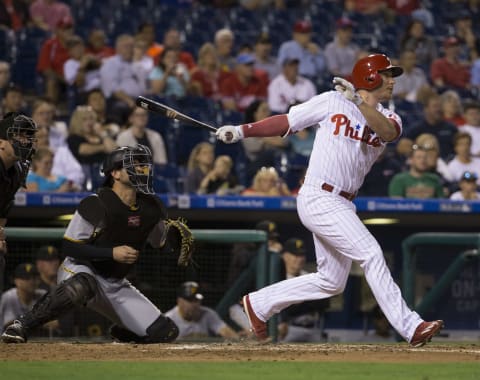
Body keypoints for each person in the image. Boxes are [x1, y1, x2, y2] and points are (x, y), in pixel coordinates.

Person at [215, 53, 444, 347]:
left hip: (344, 202)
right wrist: (243, 130)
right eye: (386, 74)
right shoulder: (331, 101)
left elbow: (388, 133)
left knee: (332, 281)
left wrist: (360, 102)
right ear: (370, 76)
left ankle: (258, 305)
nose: (391, 81)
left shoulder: (390, 117)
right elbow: (288, 122)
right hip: (319, 195)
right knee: (371, 253)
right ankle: (411, 327)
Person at [1, 144, 191, 343]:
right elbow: (69, 247)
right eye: (134, 164)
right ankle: (22, 324)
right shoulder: (97, 202)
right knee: (81, 286)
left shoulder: (151, 206)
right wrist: (112, 253)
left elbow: (160, 244)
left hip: (115, 282)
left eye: (144, 164)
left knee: (165, 332)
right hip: (81, 269)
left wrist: (175, 243)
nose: (142, 169)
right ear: (115, 173)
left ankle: (126, 332)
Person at [0, 113, 37, 293]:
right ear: (1, 142)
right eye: (18, 135)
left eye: (27, 136)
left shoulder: (16, 171)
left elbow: (3, 209)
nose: (24, 141)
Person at [277, 238, 329, 343]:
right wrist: (306, 299)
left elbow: (324, 303)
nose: (299, 259)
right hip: (288, 329)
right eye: (295, 255)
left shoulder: (310, 277)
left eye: (302, 255)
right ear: (285, 256)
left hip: (312, 328)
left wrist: (293, 301)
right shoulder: (278, 278)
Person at [165, 281, 239, 341]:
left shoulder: (208, 314)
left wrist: (239, 340)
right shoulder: (169, 320)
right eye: (190, 300)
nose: (194, 304)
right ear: (179, 301)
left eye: (197, 300)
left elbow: (226, 331)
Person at [0, 263, 46, 329]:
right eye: (26, 278)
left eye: (34, 278)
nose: (31, 281)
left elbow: (53, 323)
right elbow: (11, 325)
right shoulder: (9, 297)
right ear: (16, 281)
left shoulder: (42, 295)